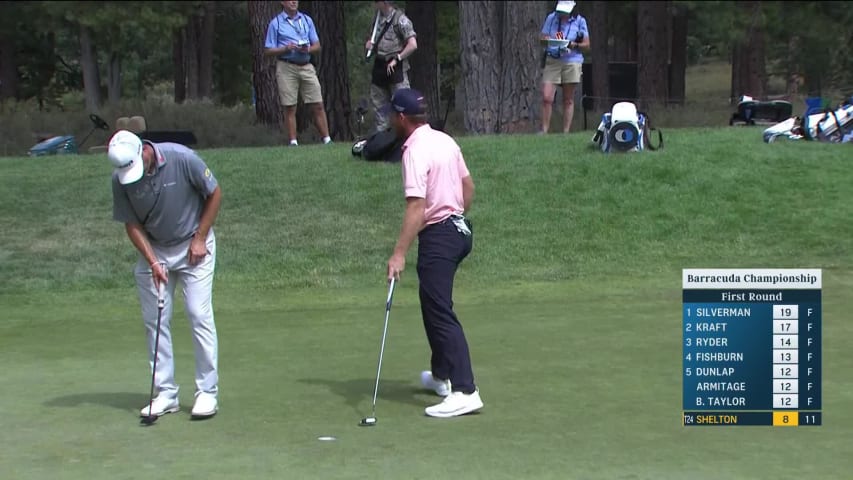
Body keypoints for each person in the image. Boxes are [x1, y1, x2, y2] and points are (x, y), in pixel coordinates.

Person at [107, 130, 223, 420]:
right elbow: (131, 223)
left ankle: (207, 392)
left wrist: (199, 238)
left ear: (144, 152)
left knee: (198, 313)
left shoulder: (181, 158)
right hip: (155, 250)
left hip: (194, 244)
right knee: (156, 320)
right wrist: (152, 261)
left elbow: (214, 193)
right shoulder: (120, 179)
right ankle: (166, 393)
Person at [385, 88, 483, 418]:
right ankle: (442, 376)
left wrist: (399, 254)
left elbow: (416, 207)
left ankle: (466, 390)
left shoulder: (413, 151)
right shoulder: (444, 140)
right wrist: (454, 213)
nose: (389, 120)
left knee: (440, 311)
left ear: (401, 118)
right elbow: (468, 188)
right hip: (458, 231)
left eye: (391, 115)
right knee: (433, 305)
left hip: (440, 236)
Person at [264, 0, 332, 146]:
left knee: (318, 103)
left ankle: (327, 139)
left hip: (306, 65)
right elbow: (268, 50)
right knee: (290, 106)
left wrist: (307, 49)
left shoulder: (307, 20)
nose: (294, 2)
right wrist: (286, 48)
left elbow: (317, 45)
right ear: (283, 2)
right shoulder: (275, 23)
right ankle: (293, 142)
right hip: (286, 66)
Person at [365, 1, 418, 133]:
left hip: (396, 67)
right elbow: (374, 41)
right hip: (379, 66)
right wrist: (370, 46)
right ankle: (382, 139)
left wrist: (398, 58)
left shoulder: (400, 20)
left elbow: (412, 44)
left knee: (403, 103)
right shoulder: (376, 19)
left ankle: (406, 136)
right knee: (379, 105)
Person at [540, 0, 590, 134]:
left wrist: (574, 45)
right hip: (553, 59)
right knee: (547, 97)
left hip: (571, 60)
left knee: (568, 99)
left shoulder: (580, 21)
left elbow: (586, 45)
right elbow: (543, 37)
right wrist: (550, 41)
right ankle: (544, 130)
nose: (562, 14)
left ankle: (565, 132)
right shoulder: (551, 18)